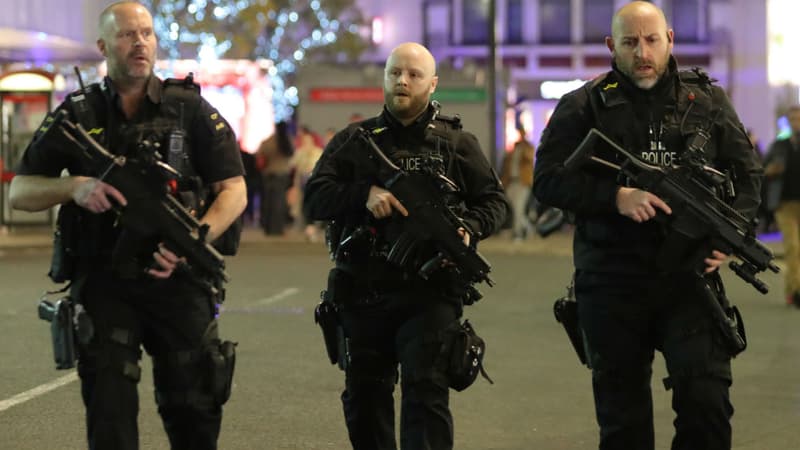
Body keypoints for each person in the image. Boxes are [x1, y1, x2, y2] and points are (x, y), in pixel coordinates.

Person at [9, 2, 247, 449]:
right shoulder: (77, 114)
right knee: (110, 415)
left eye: (146, 33)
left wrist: (196, 237)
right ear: (103, 46)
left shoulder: (189, 109)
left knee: (195, 409)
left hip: (180, 282)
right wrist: (74, 188)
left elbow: (233, 188)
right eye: (126, 35)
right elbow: (19, 192)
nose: (139, 43)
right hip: (105, 283)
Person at [532, 2, 762, 450]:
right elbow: (547, 180)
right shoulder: (583, 105)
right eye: (630, 42)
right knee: (624, 424)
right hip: (612, 280)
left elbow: (748, 174)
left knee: (707, 406)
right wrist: (614, 197)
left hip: (691, 281)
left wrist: (729, 237)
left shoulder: (707, 101)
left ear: (670, 39)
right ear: (610, 46)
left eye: (652, 40)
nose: (642, 51)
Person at [303, 42, 509, 450]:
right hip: (363, 289)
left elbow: (496, 203)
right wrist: (363, 194)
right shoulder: (354, 140)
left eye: (414, 75)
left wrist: (469, 227)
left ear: (432, 84)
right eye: (395, 72)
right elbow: (314, 198)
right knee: (365, 398)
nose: (402, 80)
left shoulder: (456, 144)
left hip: (430, 293)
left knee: (426, 394)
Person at [763, 105, 800, 306]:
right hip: (784, 204)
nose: (796, 123)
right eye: (793, 119)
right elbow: (762, 168)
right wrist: (771, 170)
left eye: (799, 119)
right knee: (792, 247)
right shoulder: (779, 145)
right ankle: (795, 291)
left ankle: (794, 288)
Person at [257, 121, 294, 235]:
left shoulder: (269, 141)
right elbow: (292, 155)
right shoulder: (287, 141)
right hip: (282, 175)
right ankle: (278, 229)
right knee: (279, 203)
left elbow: (260, 154)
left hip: (268, 175)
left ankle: (268, 228)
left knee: (268, 202)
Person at [500, 127, 535, 240]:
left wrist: (524, 145)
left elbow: (528, 158)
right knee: (513, 207)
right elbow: (507, 165)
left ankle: (518, 233)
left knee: (518, 207)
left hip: (523, 182)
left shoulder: (528, 147)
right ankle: (528, 228)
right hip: (512, 181)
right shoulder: (514, 148)